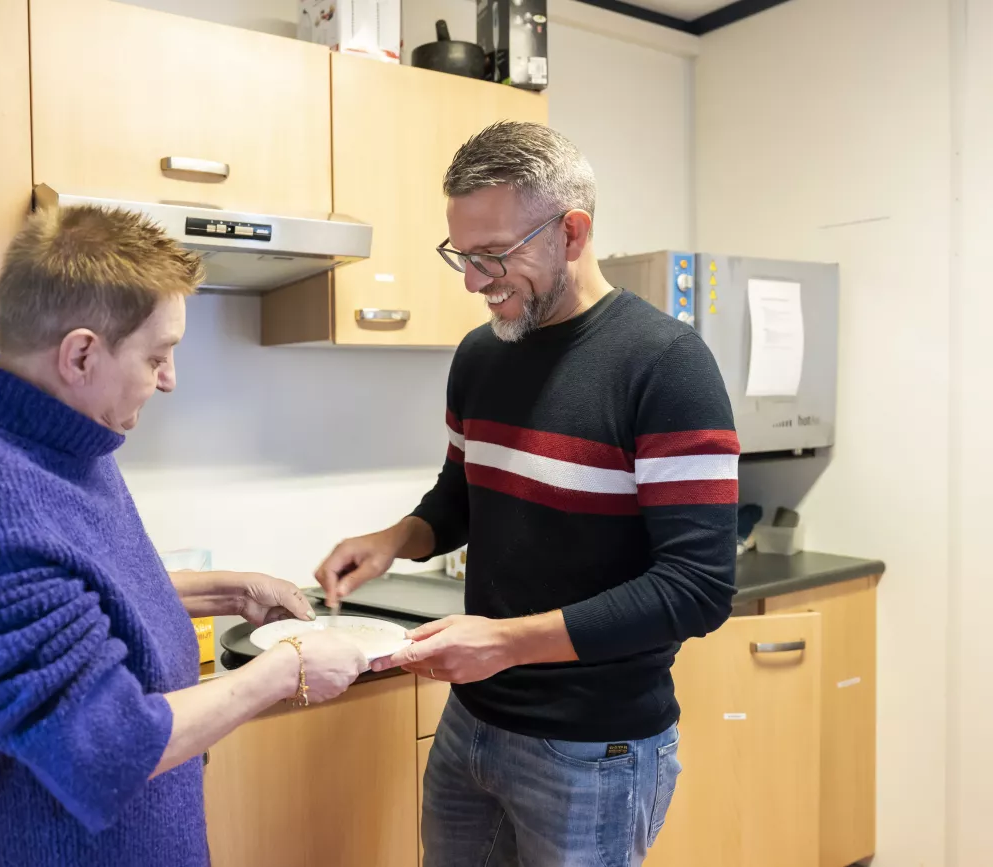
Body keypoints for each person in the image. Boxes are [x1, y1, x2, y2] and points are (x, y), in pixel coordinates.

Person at [0, 204, 368, 867]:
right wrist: (288, 669)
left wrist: (220, 589)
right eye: (158, 355)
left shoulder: (64, 441)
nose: (169, 379)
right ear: (81, 353)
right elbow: (107, 746)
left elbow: (70, 591)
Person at [315, 121, 739, 866]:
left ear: (572, 233)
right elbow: (463, 492)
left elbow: (698, 588)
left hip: (594, 749)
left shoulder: (665, 366)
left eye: (493, 256)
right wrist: (396, 539)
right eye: (462, 256)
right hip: (472, 724)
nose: (474, 282)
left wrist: (506, 642)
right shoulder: (483, 354)